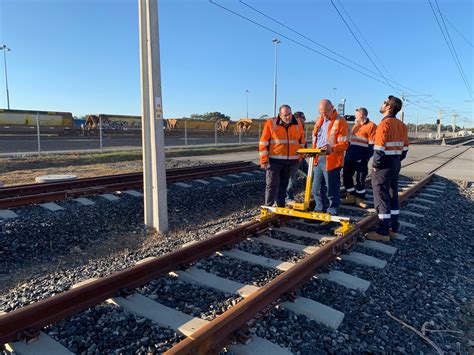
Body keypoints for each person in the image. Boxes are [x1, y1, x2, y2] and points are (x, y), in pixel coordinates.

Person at [367, 95, 409, 241]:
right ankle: (393, 228)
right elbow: (405, 149)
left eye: (384, 102)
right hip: (395, 163)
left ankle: (382, 231)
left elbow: (378, 149)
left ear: (389, 107)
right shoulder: (402, 125)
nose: (382, 104)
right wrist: (396, 159)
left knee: (381, 197)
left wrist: (375, 165)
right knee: (392, 196)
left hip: (384, 165)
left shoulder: (383, 125)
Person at [259, 104, 306, 207]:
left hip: (291, 160)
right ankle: (268, 206)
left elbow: (302, 141)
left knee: (284, 184)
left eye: (289, 114)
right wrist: (264, 160)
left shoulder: (297, 123)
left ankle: (281, 205)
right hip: (274, 160)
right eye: (285, 115)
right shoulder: (271, 123)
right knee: (271, 184)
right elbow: (263, 143)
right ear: (280, 114)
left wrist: (300, 156)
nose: (288, 117)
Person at [311, 99, 349, 216]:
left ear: (332, 108)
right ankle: (319, 210)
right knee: (316, 188)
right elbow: (316, 138)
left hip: (332, 160)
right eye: (321, 112)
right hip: (318, 158)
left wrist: (331, 148)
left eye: (325, 112)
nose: (323, 115)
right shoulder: (320, 120)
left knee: (332, 189)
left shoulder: (340, 121)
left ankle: (332, 212)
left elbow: (344, 144)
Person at [341, 107, 377, 208]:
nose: (354, 116)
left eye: (356, 114)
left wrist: (365, 158)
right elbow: (351, 141)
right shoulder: (355, 126)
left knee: (360, 180)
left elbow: (372, 146)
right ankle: (351, 196)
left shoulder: (372, 126)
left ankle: (360, 199)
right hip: (350, 156)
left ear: (361, 115)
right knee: (346, 177)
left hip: (361, 158)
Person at [286, 111, 309, 203]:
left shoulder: (300, 127)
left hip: (300, 156)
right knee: (291, 178)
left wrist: (305, 151)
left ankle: (307, 192)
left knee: (310, 174)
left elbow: (302, 142)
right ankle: (288, 197)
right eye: (303, 117)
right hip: (294, 157)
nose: (305, 120)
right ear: (298, 118)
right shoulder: (294, 127)